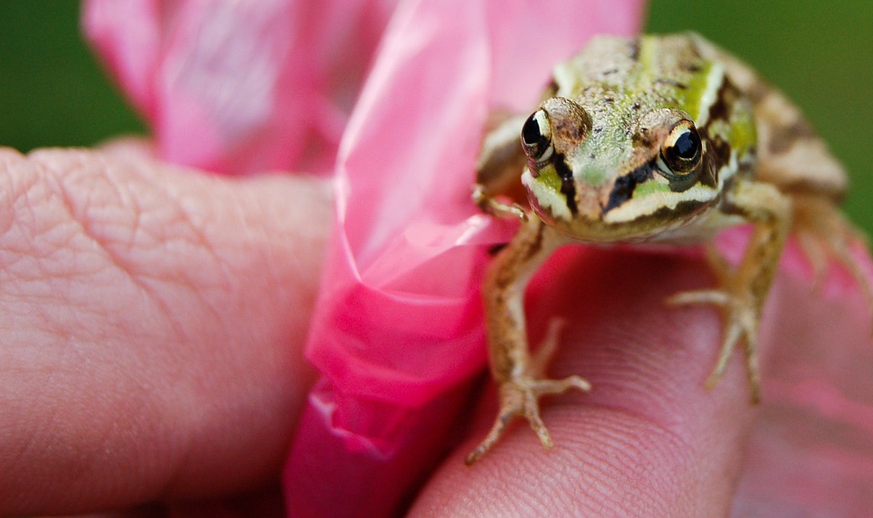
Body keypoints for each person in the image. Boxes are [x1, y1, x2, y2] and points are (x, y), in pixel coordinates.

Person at [0, 143, 762, 515]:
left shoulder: (722, 191)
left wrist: (746, 302)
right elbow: (503, 277)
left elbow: (774, 209)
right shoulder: (557, 193)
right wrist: (517, 382)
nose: (590, 201)